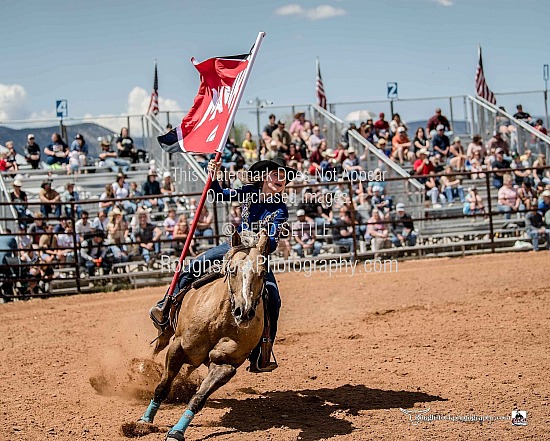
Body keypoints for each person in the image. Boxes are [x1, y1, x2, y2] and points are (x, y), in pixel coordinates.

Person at [149, 157, 295, 373]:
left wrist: (264, 239)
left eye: (284, 176)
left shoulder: (280, 209)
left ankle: (261, 353)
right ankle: (166, 307)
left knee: (273, 299)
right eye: (277, 174)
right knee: (193, 266)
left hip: (256, 256)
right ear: (264, 177)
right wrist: (215, 175)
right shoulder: (248, 192)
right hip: (234, 247)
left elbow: (272, 243)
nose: (281, 179)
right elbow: (219, 195)